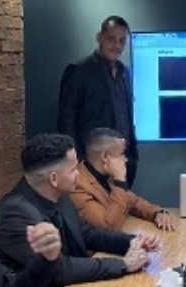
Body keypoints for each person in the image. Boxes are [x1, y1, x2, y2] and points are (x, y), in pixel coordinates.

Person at [0, 133, 159, 287]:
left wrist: (133, 241)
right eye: (73, 170)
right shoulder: (15, 213)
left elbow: (88, 234)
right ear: (54, 178)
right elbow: (58, 269)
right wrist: (124, 264)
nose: (79, 174)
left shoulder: (59, 196)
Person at [58, 15, 139, 187]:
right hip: (92, 166)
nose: (117, 45)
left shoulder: (125, 73)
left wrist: (132, 157)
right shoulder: (79, 71)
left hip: (123, 163)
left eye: (122, 41)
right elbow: (66, 121)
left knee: (121, 203)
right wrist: (78, 162)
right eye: (111, 39)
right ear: (99, 37)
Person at [69, 128, 175, 232]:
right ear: (105, 157)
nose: (125, 159)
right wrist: (120, 182)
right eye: (121, 154)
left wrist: (157, 213)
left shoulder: (105, 176)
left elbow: (133, 201)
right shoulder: (77, 186)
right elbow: (108, 228)